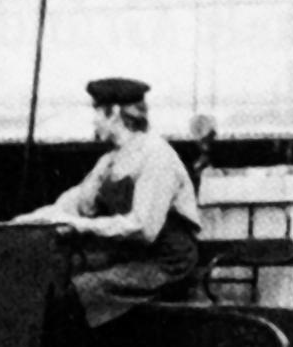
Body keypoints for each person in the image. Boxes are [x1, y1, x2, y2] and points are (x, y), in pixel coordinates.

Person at [13, 77, 202, 328]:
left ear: (114, 113)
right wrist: (22, 223)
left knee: (77, 293)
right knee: (54, 276)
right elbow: (73, 205)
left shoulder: (157, 157)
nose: (94, 121)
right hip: (134, 256)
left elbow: (143, 228)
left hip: (167, 263)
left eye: (97, 113)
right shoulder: (110, 162)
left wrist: (80, 225)